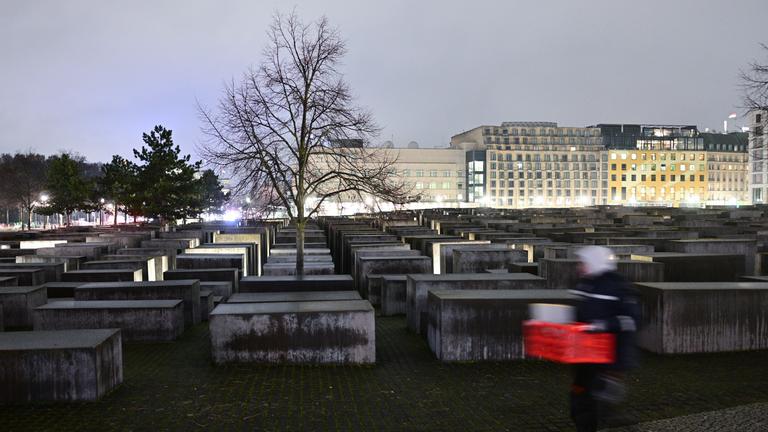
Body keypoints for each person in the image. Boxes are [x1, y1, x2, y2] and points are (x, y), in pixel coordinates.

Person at [568, 246, 640, 432]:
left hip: (608, 356)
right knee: (582, 400)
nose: (579, 267)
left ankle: (607, 417)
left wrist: (602, 325)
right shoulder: (586, 283)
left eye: (583, 263)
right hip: (587, 354)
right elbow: (581, 314)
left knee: (587, 402)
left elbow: (632, 319)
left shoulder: (617, 285)